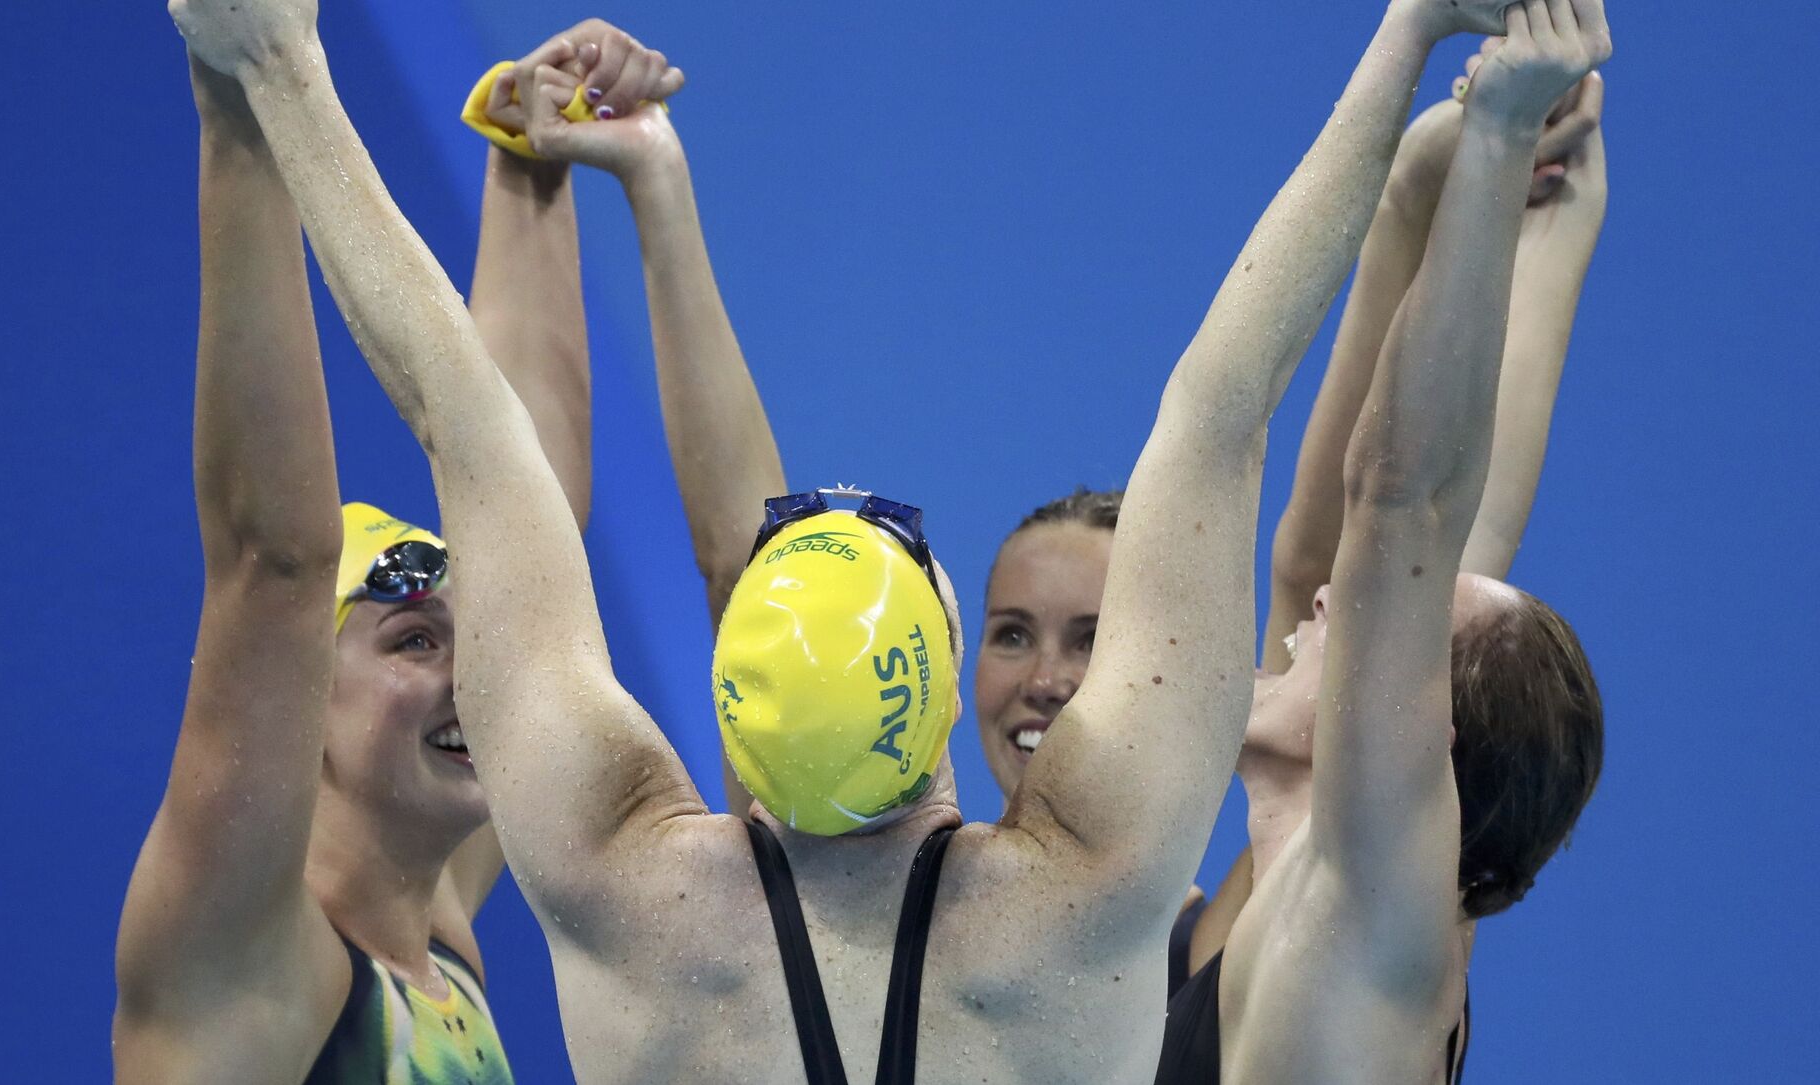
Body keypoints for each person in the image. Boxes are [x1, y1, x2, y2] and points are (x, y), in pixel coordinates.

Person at [165, 0, 1521, 1080]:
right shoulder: (1088, 895)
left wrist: (280, 68)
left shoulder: (621, 883)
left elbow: (464, 420)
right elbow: (1220, 412)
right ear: (935, 677)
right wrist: (1406, 34)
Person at [109, 22, 675, 1079]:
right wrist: (241, 96)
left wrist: (531, 158)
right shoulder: (243, 959)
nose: (474, 671)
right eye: (413, 640)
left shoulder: (435, 926)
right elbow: (274, 562)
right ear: (303, 695)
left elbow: (527, 506)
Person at [1155, 2, 1612, 1081]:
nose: (1330, 602)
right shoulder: (1330, 900)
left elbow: (1406, 503)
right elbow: (1355, 546)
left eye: (1376, 627)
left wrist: (1501, 136)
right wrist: (1543, 212)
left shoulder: (1374, 923)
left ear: (1417, 741)